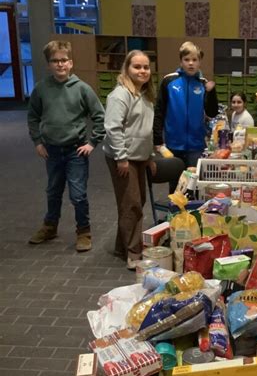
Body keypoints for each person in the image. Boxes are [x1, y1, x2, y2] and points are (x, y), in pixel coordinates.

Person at [103, 50, 183, 270]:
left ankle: (122, 246)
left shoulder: (145, 95)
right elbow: (113, 129)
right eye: (137, 66)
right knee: (132, 204)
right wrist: (121, 158)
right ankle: (133, 252)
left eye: (146, 67)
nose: (142, 71)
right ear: (127, 69)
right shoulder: (120, 95)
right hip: (123, 157)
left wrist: (148, 156)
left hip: (139, 156)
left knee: (136, 202)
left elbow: (145, 131)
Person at [27, 40, 105, 252]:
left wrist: (92, 142)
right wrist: (37, 141)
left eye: (64, 60)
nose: (60, 64)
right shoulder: (41, 89)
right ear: (49, 64)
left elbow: (99, 116)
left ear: (71, 63)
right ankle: (50, 226)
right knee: (53, 190)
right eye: (55, 61)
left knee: (77, 194)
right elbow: (33, 116)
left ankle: (84, 232)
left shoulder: (82, 89)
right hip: (51, 150)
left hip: (75, 151)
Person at [153, 41, 218, 172]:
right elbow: (159, 111)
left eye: (194, 60)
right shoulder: (169, 81)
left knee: (193, 184)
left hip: (196, 145)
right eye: (186, 59)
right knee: (175, 185)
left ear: (199, 62)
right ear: (181, 61)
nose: (190, 63)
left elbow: (211, 113)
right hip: (173, 144)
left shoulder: (203, 84)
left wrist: (211, 93)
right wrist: (157, 139)